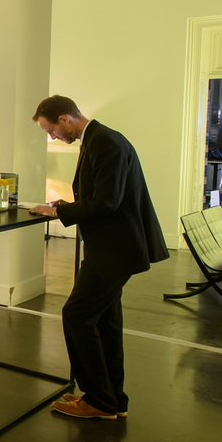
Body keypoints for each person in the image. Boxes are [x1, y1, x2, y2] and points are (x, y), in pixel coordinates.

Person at [29, 95, 168, 420]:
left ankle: (98, 400)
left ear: (65, 119)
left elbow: (107, 202)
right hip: (112, 247)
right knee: (106, 321)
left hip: (114, 249)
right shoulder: (99, 139)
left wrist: (58, 212)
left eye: (51, 131)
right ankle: (112, 400)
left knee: (77, 315)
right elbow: (103, 196)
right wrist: (67, 206)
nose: (53, 138)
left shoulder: (105, 141)